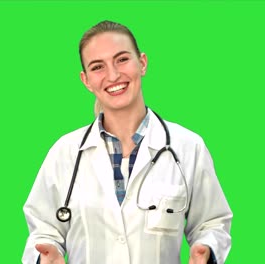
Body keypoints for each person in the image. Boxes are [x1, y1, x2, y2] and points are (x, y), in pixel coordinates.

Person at [22, 20, 232, 264]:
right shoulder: (65, 152)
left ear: (142, 63)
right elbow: (43, 229)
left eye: (122, 59)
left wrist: (206, 248)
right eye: (98, 67)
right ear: (86, 80)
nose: (113, 75)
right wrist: (45, 255)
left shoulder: (187, 147)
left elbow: (212, 222)